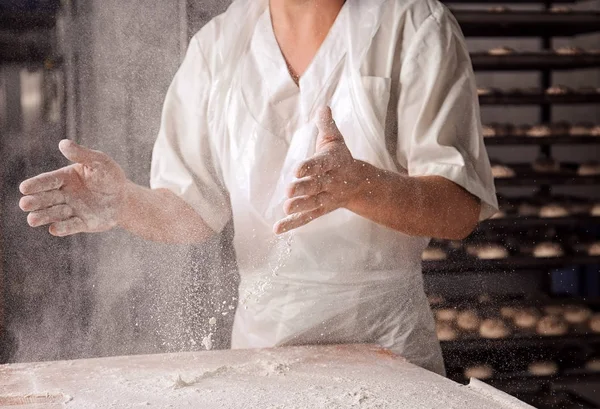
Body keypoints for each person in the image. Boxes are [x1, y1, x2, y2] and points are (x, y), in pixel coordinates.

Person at [18, 0, 498, 375]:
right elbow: (191, 213)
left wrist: (359, 186)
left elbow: (459, 210)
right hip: (261, 352)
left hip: (386, 341)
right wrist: (123, 202)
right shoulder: (218, 46)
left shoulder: (414, 26)